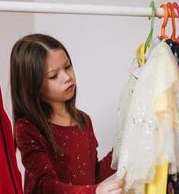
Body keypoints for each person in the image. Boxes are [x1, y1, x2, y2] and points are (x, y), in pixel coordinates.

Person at [10, 33, 124, 194]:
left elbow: (93, 176)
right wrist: (95, 192)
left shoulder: (83, 120)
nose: (67, 77)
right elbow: (46, 186)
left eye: (67, 67)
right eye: (53, 76)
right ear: (32, 85)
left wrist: (124, 148)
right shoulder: (28, 128)